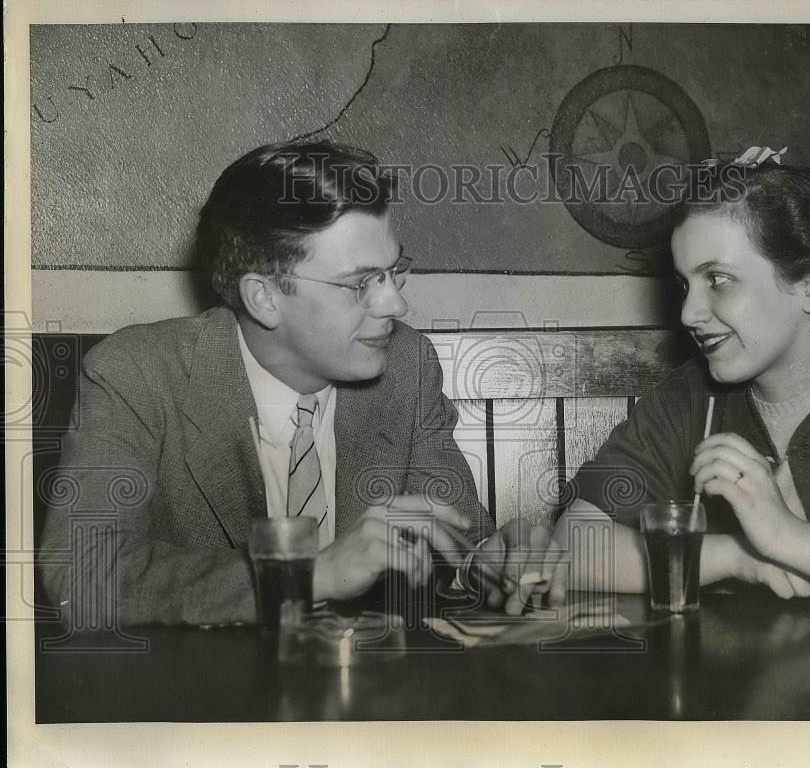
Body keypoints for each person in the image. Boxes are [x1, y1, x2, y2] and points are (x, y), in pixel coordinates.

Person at [39, 141, 551, 626]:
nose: (396, 304)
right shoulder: (137, 374)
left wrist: (492, 563)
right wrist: (307, 576)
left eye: (394, 272)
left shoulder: (406, 366)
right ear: (263, 298)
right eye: (361, 283)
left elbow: (459, 538)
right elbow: (80, 578)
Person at [552, 150, 810, 615]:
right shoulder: (688, 398)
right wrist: (742, 556)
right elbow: (574, 545)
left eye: (718, 279)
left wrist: (789, 538)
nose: (688, 314)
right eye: (685, 285)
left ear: (809, 283)